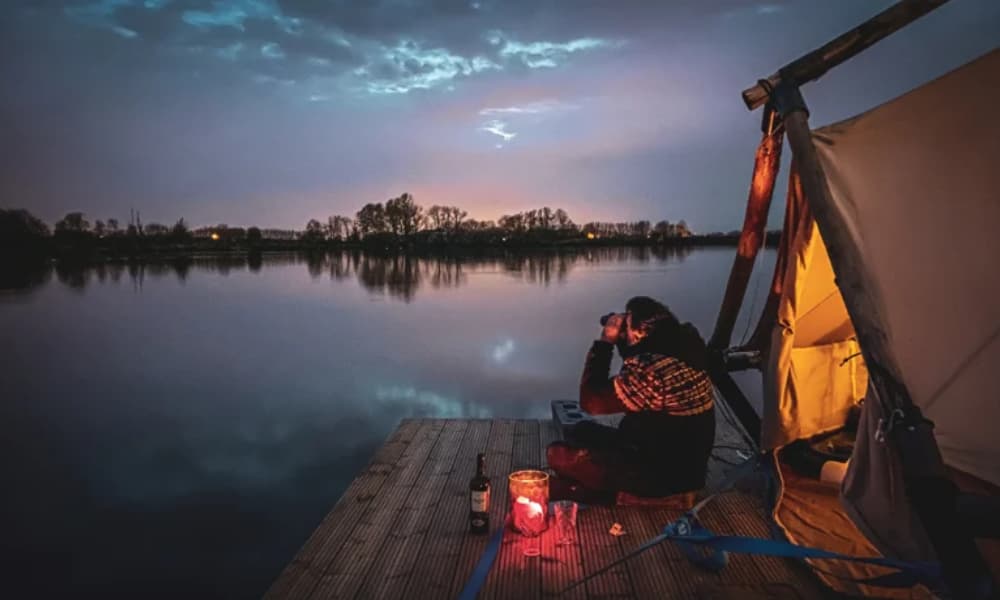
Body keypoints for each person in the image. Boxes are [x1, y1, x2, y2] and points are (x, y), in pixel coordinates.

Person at [547, 296, 715, 503]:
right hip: (674, 459)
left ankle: (637, 498)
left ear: (638, 333)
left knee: (558, 455)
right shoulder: (684, 346)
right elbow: (638, 358)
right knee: (581, 431)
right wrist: (625, 340)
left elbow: (591, 401)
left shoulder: (652, 370)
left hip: (664, 476)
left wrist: (605, 341)